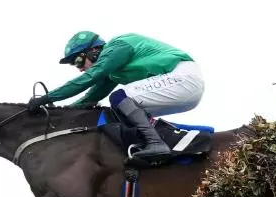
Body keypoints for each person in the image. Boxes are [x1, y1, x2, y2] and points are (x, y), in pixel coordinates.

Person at [27, 31, 204, 165]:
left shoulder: (117, 46)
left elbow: (89, 79)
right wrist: (59, 113)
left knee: (119, 97)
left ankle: (156, 144)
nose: (80, 69)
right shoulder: (113, 71)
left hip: (183, 77)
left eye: (79, 62)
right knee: (120, 112)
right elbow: (90, 99)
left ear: (93, 51)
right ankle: (161, 144)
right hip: (182, 87)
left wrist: (47, 98)